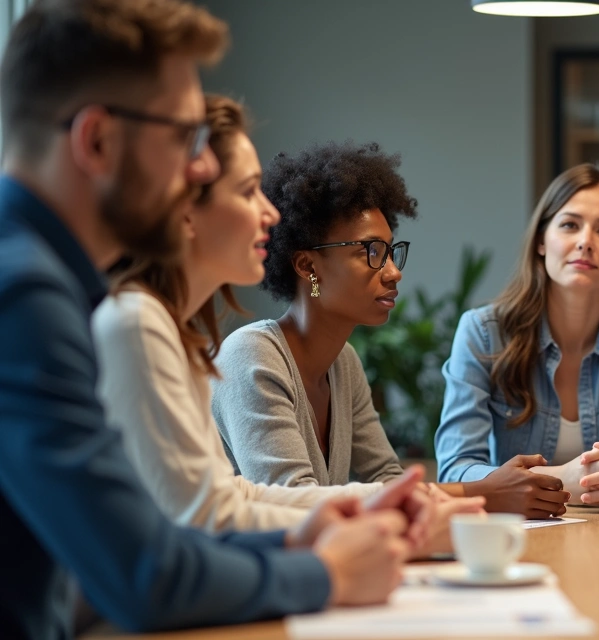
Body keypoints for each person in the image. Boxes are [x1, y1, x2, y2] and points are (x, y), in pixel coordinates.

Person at [0, 1, 409, 636]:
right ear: (97, 140)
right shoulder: (25, 298)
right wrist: (324, 573)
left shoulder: (48, 282)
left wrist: (310, 540)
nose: (199, 168)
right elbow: (144, 574)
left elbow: (148, 541)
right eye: (184, 138)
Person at [93, 94, 481, 549]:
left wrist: (393, 508)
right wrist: (344, 558)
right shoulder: (144, 326)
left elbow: (232, 496)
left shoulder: (177, 335)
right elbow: (208, 516)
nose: (270, 213)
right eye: (246, 191)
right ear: (185, 208)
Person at [435, 163, 599, 515]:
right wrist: (563, 478)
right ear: (541, 240)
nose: (586, 242)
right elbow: (457, 468)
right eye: (570, 225)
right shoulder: (483, 331)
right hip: (515, 533)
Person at [212, 140, 415, 489]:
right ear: (308, 266)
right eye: (372, 251)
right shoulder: (251, 356)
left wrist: (484, 494)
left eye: (391, 251)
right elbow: (294, 502)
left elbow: (389, 480)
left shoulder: (343, 363)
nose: (393, 272)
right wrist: (480, 492)